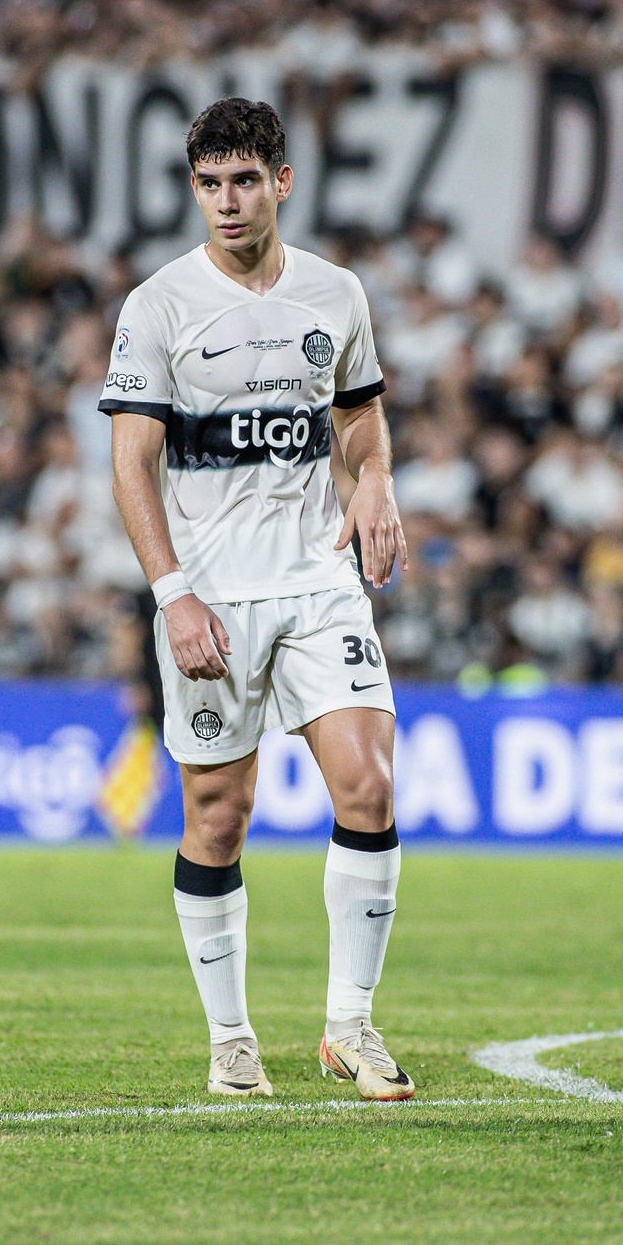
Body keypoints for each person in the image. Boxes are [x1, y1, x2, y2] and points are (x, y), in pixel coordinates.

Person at [103, 98, 414, 1102]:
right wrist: (172, 595)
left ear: (281, 181)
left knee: (368, 788)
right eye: (209, 184)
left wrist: (375, 480)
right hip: (212, 596)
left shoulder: (335, 293)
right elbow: (131, 465)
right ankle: (231, 1039)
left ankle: (349, 1027)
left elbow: (359, 418)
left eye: (244, 180)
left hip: (319, 579)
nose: (227, 201)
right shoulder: (158, 305)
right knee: (217, 814)